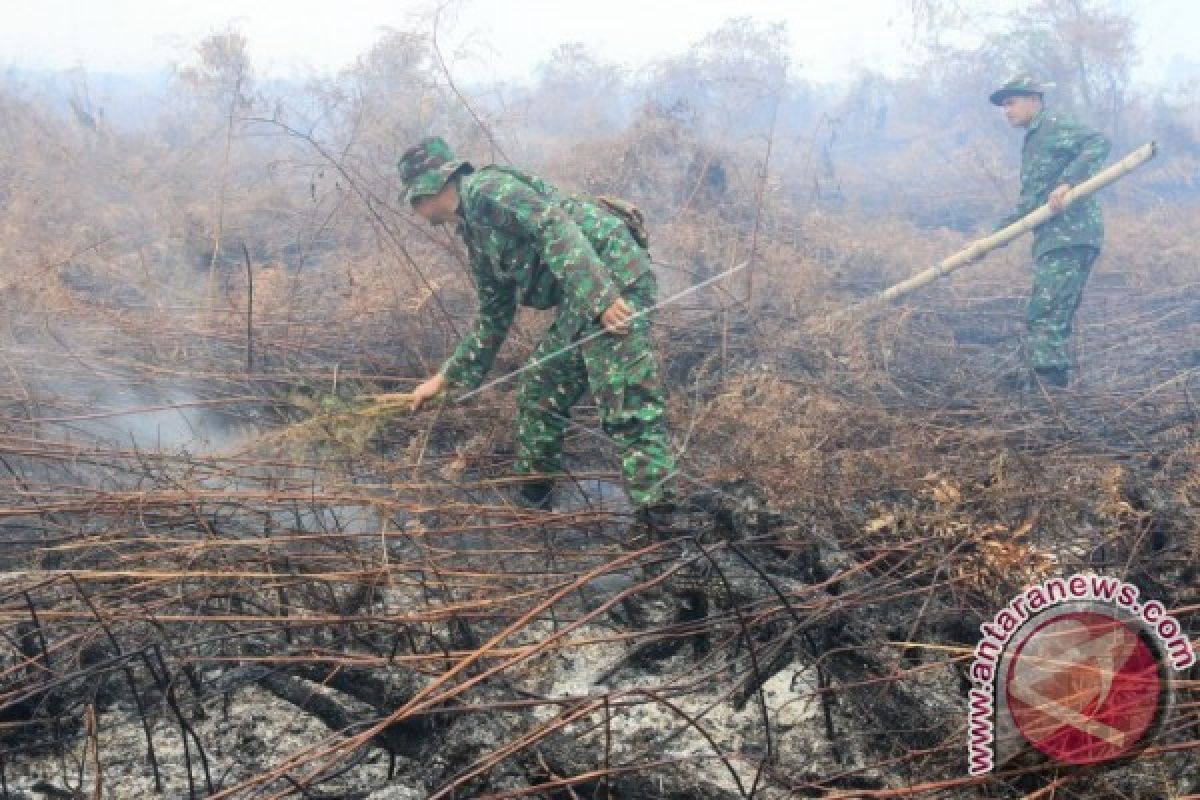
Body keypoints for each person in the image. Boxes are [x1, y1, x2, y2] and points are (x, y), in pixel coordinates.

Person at [397, 137, 676, 527]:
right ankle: (534, 507)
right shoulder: (475, 234)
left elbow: (551, 224)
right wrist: (443, 379)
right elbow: (493, 315)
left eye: (413, 200)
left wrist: (602, 298)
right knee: (539, 389)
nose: (415, 210)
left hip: (614, 281)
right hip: (586, 297)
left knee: (626, 401)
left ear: (429, 189)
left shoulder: (487, 189)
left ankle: (660, 523)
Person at [988, 74, 1111, 388]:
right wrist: (987, 242)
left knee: (1046, 311)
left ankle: (1048, 390)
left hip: (1068, 234)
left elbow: (1098, 143)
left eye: (1011, 103)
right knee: (1054, 311)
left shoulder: (1054, 124)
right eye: (1003, 106)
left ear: (1034, 99)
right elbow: (1029, 206)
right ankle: (1049, 382)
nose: (1006, 111)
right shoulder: (1034, 139)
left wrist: (1069, 182)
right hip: (1056, 238)